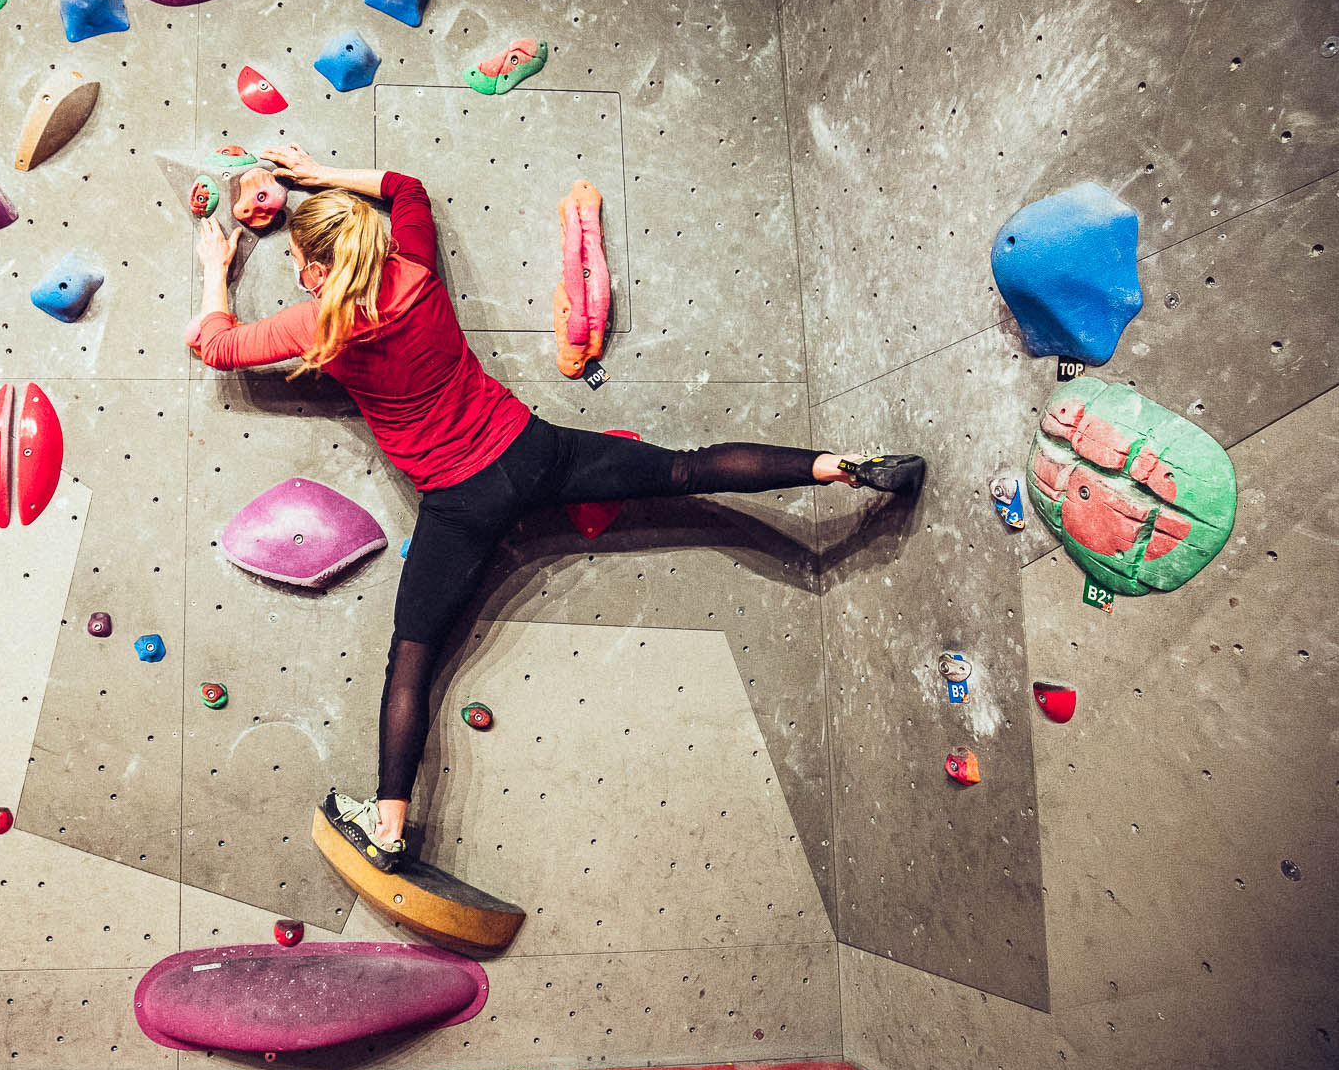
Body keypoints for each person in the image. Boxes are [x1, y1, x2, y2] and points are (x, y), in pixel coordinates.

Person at [188, 144, 925, 873]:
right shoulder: (410, 270)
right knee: (683, 467)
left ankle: (386, 830)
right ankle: (841, 465)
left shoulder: (319, 323)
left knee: (412, 661)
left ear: (317, 272)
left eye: (296, 263)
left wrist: (216, 275)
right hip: (533, 453)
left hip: (460, 503)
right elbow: (406, 188)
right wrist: (320, 174)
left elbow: (213, 347)